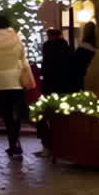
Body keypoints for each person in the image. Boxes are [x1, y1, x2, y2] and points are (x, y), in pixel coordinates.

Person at [0, 15, 29, 157]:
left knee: (7, 116)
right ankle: (15, 142)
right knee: (16, 115)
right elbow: (23, 59)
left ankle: (13, 144)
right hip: (16, 81)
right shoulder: (17, 39)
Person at [36, 28, 75, 157]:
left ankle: (49, 146)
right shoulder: (67, 47)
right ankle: (63, 145)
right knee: (62, 116)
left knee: (48, 116)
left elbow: (46, 66)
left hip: (50, 85)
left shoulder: (48, 47)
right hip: (65, 86)